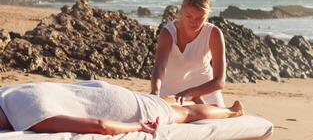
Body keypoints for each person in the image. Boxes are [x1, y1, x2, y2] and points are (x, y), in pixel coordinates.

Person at [0, 81, 244, 135]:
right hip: (97, 90)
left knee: (185, 114)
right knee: (165, 102)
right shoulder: (7, 93)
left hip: (121, 108)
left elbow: (101, 126)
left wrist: (137, 126)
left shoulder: (31, 116)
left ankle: (233, 112)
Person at [151, 0, 226, 107]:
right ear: (181, 10)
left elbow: (219, 82)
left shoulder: (213, 34)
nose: (193, 22)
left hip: (206, 96)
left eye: (199, 18)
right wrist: (154, 92)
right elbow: (159, 68)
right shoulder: (168, 33)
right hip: (172, 96)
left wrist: (190, 93)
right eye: (189, 16)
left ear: (207, 14)